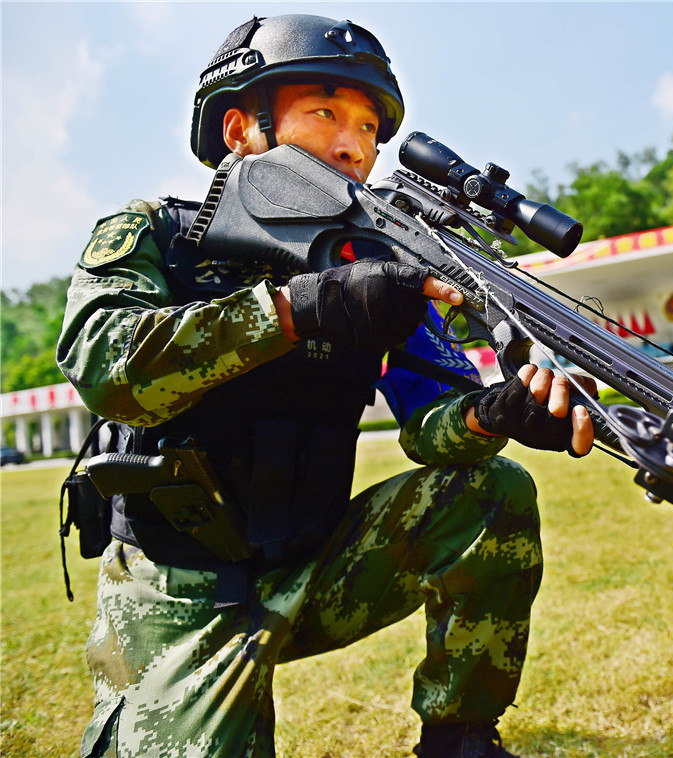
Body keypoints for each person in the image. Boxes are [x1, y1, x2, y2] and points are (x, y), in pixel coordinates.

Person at [56, 15, 592, 758]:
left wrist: (489, 416)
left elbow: (428, 423)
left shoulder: (374, 268)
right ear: (242, 129)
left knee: (490, 488)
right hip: (179, 590)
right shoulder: (157, 235)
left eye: (371, 128)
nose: (356, 146)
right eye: (326, 115)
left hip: (312, 567)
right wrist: (293, 309)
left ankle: (460, 739)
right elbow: (105, 369)